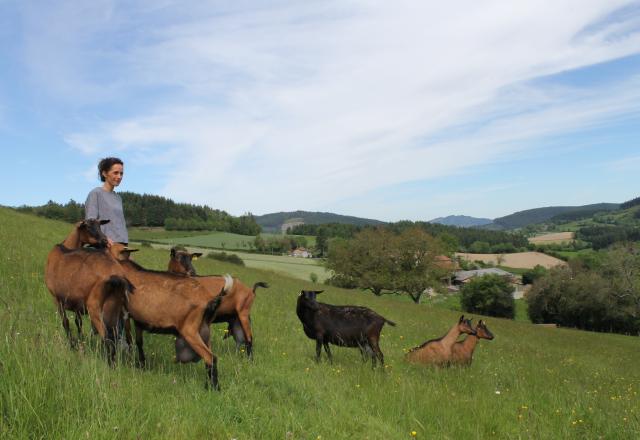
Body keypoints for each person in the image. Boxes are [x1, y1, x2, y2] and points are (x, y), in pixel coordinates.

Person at [85, 157, 128, 247]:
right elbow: (90, 222)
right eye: (115, 173)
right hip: (105, 245)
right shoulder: (96, 193)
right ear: (104, 173)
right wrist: (104, 239)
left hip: (122, 244)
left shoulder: (118, 197)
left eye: (121, 173)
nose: (119, 177)